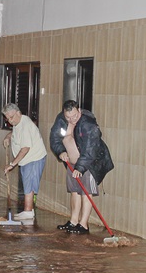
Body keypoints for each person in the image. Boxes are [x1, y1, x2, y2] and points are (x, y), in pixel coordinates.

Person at [49, 100, 114, 234]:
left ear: (79, 111)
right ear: (64, 114)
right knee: (74, 191)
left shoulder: (88, 124)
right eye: (68, 117)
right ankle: (73, 221)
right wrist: (61, 151)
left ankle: (83, 224)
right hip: (71, 163)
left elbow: (90, 149)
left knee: (86, 192)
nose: (72, 119)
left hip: (89, 164)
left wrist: (80, 167)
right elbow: (55, 138)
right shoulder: (61, 120)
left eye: (74, 116)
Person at [2, 103, 47, 221]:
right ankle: (28, 210)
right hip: (27, 159)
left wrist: (12, 164)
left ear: (18, 113)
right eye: (7, 118)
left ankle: (28, 211)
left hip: (33, 158)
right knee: (27, 183)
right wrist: (8, 136)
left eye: (11, 117)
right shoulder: (18, 122)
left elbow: (25, 149)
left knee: (30, 183)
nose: (10, 121)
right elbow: (15, 132)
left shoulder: (25, 125)